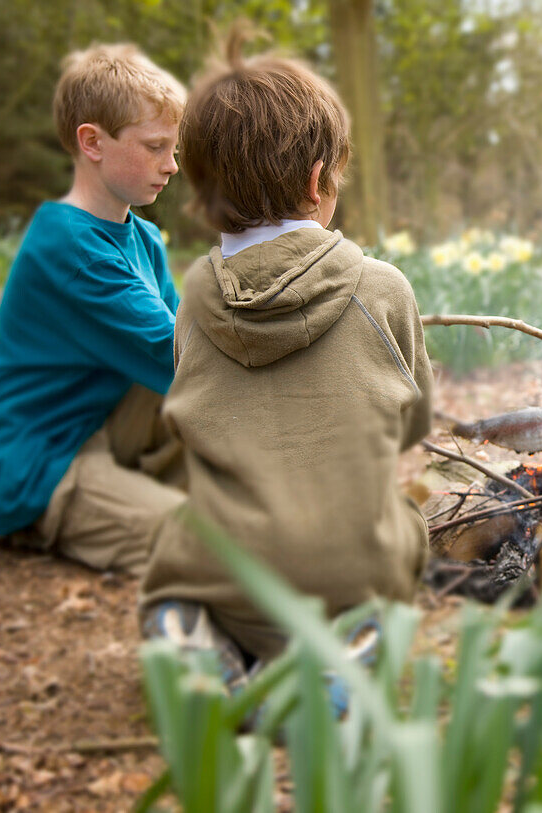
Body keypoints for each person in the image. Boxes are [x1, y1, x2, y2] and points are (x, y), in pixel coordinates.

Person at [138, 33, 433, 687]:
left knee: (182, 540)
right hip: (343, 580)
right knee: (406, 518)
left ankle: (189, 630)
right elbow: (412, 427)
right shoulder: (382, 289)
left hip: (223, 576)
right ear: (316, 179)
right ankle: (350, 652)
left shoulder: (193, 297)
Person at [0, 44, 188, 574]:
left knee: (251, 487)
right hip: (44, 465)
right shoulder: (69, 249)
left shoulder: (145, 238)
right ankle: (42, 521)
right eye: (156, 147)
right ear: (92, 142)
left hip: (107, 420)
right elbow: (182, 357)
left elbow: (191, 340)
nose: (173, 165)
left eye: (174, 148)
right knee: (207, 543)